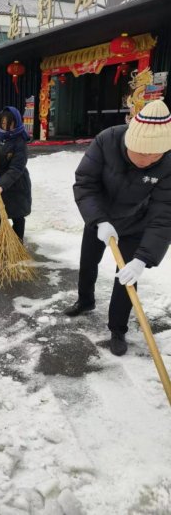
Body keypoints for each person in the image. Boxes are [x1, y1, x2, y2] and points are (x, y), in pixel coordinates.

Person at [64, 99, 171, 356]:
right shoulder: (107, 141)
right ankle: (85, 300)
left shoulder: (168, 164)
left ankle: (118, 328)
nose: (147, 160)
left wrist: (143, 259)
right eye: (141, 152)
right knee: (88, 262)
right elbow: (85, 183)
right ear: (129, 140)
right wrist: (99, 220)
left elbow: (164, 214)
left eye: (154, 155)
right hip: (99, 217)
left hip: (136, 223)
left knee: (126, 278)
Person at [0, 107, 31, 241]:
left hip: (16, 184)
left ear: (16, 121)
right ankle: (0, 247)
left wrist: (2, 185)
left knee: (17, 216)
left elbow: (16, 168)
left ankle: (17, 244)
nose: (5, 126)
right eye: (2, 123)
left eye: (9, 123)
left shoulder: (20, 141)